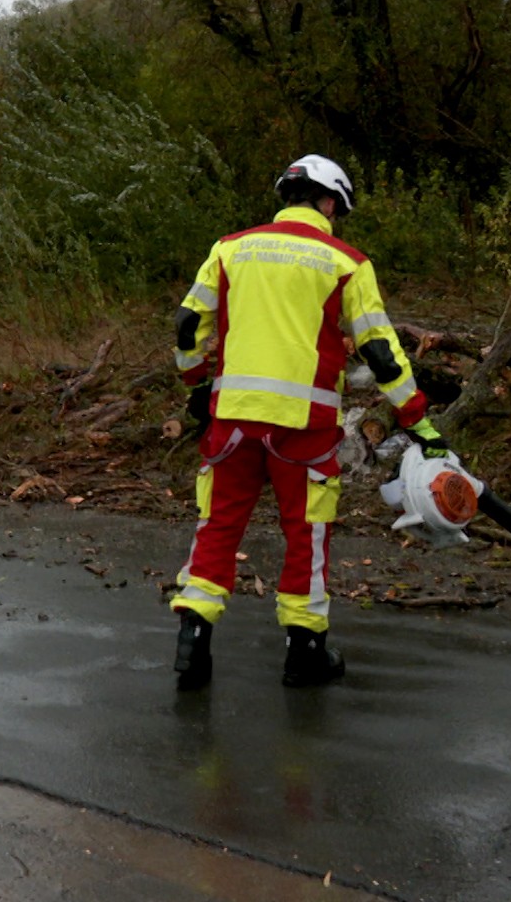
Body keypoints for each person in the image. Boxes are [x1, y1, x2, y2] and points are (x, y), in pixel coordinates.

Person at [169, 155, 443, 690]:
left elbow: (186, 325)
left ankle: (193, 643)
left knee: (218, 527)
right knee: (307, 534)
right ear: (329, 202)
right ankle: (304, 653)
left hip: (232, 423)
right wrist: (416, 419)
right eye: (337, 209)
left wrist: (196, 386)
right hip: (304, 428)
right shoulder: (344, 260)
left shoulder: (230, 249)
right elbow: (381, 351)